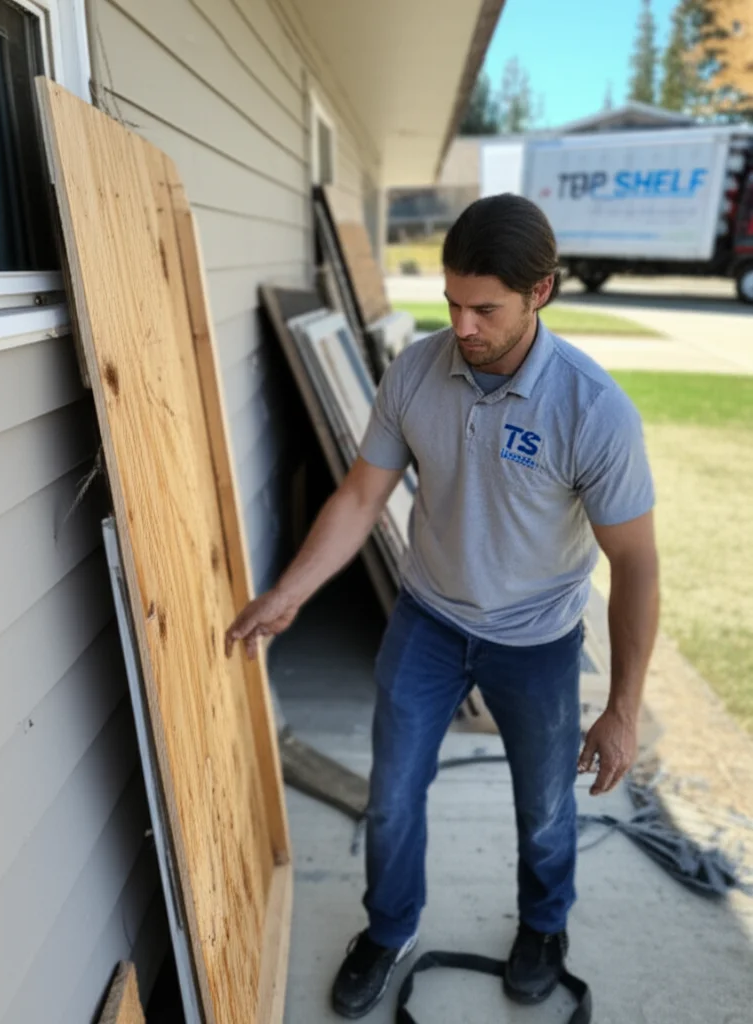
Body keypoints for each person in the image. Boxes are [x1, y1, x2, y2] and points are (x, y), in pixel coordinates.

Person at [226, 194, 659, 1019]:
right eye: (452, 303)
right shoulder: (416, 372)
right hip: (426, 622)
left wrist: (623, 708)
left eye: (484, 309)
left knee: (542, 806)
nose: (462, 326)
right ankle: (386, 930)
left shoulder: (592, 410)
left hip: (536, 641)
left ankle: (542, 925)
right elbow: (361, 495)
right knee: (391, 793)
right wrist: (288, 594)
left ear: (542, 292)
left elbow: (634, 563)